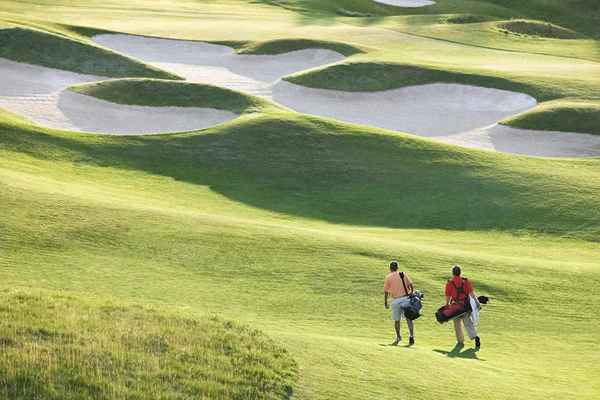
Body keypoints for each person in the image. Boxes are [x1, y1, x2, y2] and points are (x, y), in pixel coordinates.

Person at [445, 265, 481, 348]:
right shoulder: (465, 281)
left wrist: (447, 305)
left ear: (453, 273)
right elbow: (471, 293)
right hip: (465, 306)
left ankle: (460, 341)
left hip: (456, 307)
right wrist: (477, 302)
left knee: (457, 324)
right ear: (460, 272)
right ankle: (475, 336)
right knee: (468, 323)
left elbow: (448, 296)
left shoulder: (450, 283)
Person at [384, 260, 415, 346]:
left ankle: (398, 337)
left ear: (390, 268)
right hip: (405, 298)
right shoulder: (403, 274)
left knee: (397, 320)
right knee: (409, 318)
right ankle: (411, 336)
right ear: (397, 268)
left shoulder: (388, 277)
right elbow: (411, 285)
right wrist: (411, 293)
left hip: (395, 300)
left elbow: (386, 291)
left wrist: (386, 302)